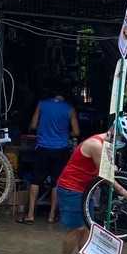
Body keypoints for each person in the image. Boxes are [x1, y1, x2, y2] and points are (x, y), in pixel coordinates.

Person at [54, 115, 127, 254]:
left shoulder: (106, 144)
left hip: (85, 190)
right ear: (114, 131)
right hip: (71, 188)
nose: (122, 143)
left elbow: (110, 167)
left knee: (87, 229)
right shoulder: (96, 145)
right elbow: (106, 174)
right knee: (76, 229)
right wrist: (123, 191)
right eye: (122, 139)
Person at [27, 87, 80, 223]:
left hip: (42, 148)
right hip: (61, 150)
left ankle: (30, 215)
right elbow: (76, 132)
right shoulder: (69, 108)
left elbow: (33, 125)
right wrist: (64, 133)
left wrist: (43, 129)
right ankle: (51, 216)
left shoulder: (42, 104)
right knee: (56, 183)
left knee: (35, 180)